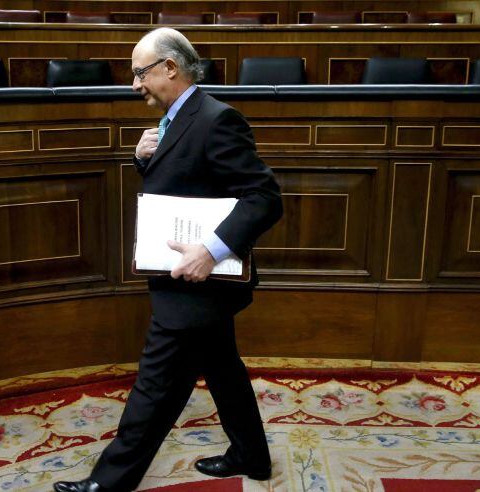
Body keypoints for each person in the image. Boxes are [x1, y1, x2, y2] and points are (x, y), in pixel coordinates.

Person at [53, 27, 283, 492]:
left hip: (199, 284)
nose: (135, 84)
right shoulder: (175, 119)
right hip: (188, 283)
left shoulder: (218, 118)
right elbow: (189, 178)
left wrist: (211, 249)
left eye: (140, 73)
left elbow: (264, 198)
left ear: (170, 68)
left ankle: (107, 484)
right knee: (222, 368)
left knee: (155, 386)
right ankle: (252, 456)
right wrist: (143, 160)